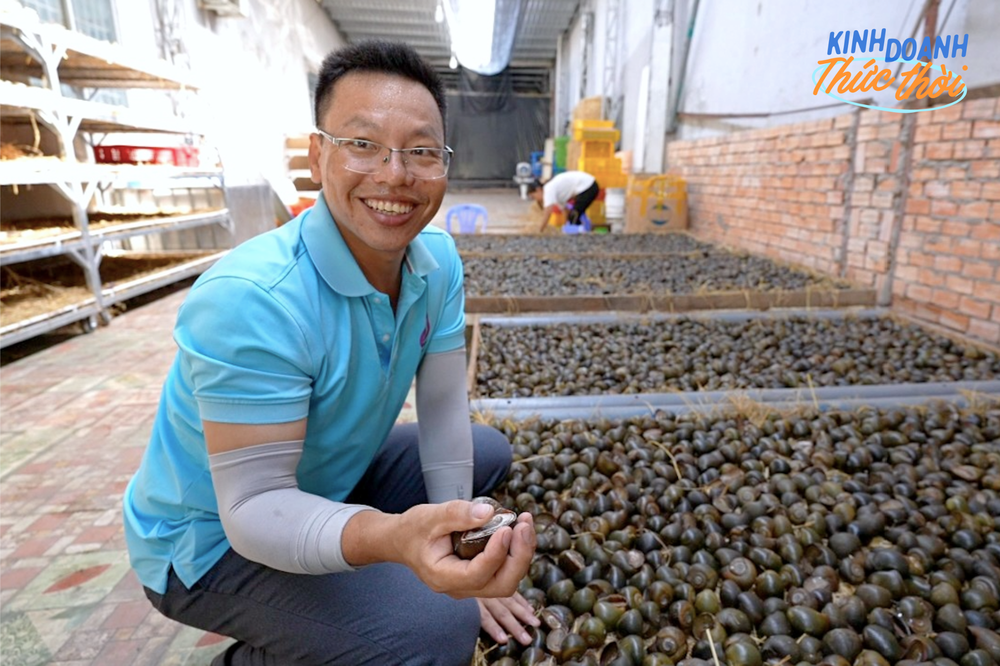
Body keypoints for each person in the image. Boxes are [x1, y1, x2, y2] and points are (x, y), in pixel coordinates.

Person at [122, 40, 538, 666]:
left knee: (486, 450)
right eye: (363, 144)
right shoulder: (252, 300)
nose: (395, 175)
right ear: (318, 156)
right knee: (435, 631)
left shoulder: (438, 263)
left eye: (421, 151)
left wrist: (461, 541)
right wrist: (395, 539)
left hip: (324, 479)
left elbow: (445, 411)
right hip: (210, 540)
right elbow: (255, 508)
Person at [529, 170, 600, 231]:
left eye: (533, 196)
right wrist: (567, 225)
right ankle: (583, 229)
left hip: (588, 186)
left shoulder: (548, 189)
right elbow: (565, 211)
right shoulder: (555, 194)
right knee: (574, 216)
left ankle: (582, 231)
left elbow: (548, 212)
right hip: (589, 186)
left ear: (538, 190)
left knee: (574, 215)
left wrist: (540, 230)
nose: (536, 200)